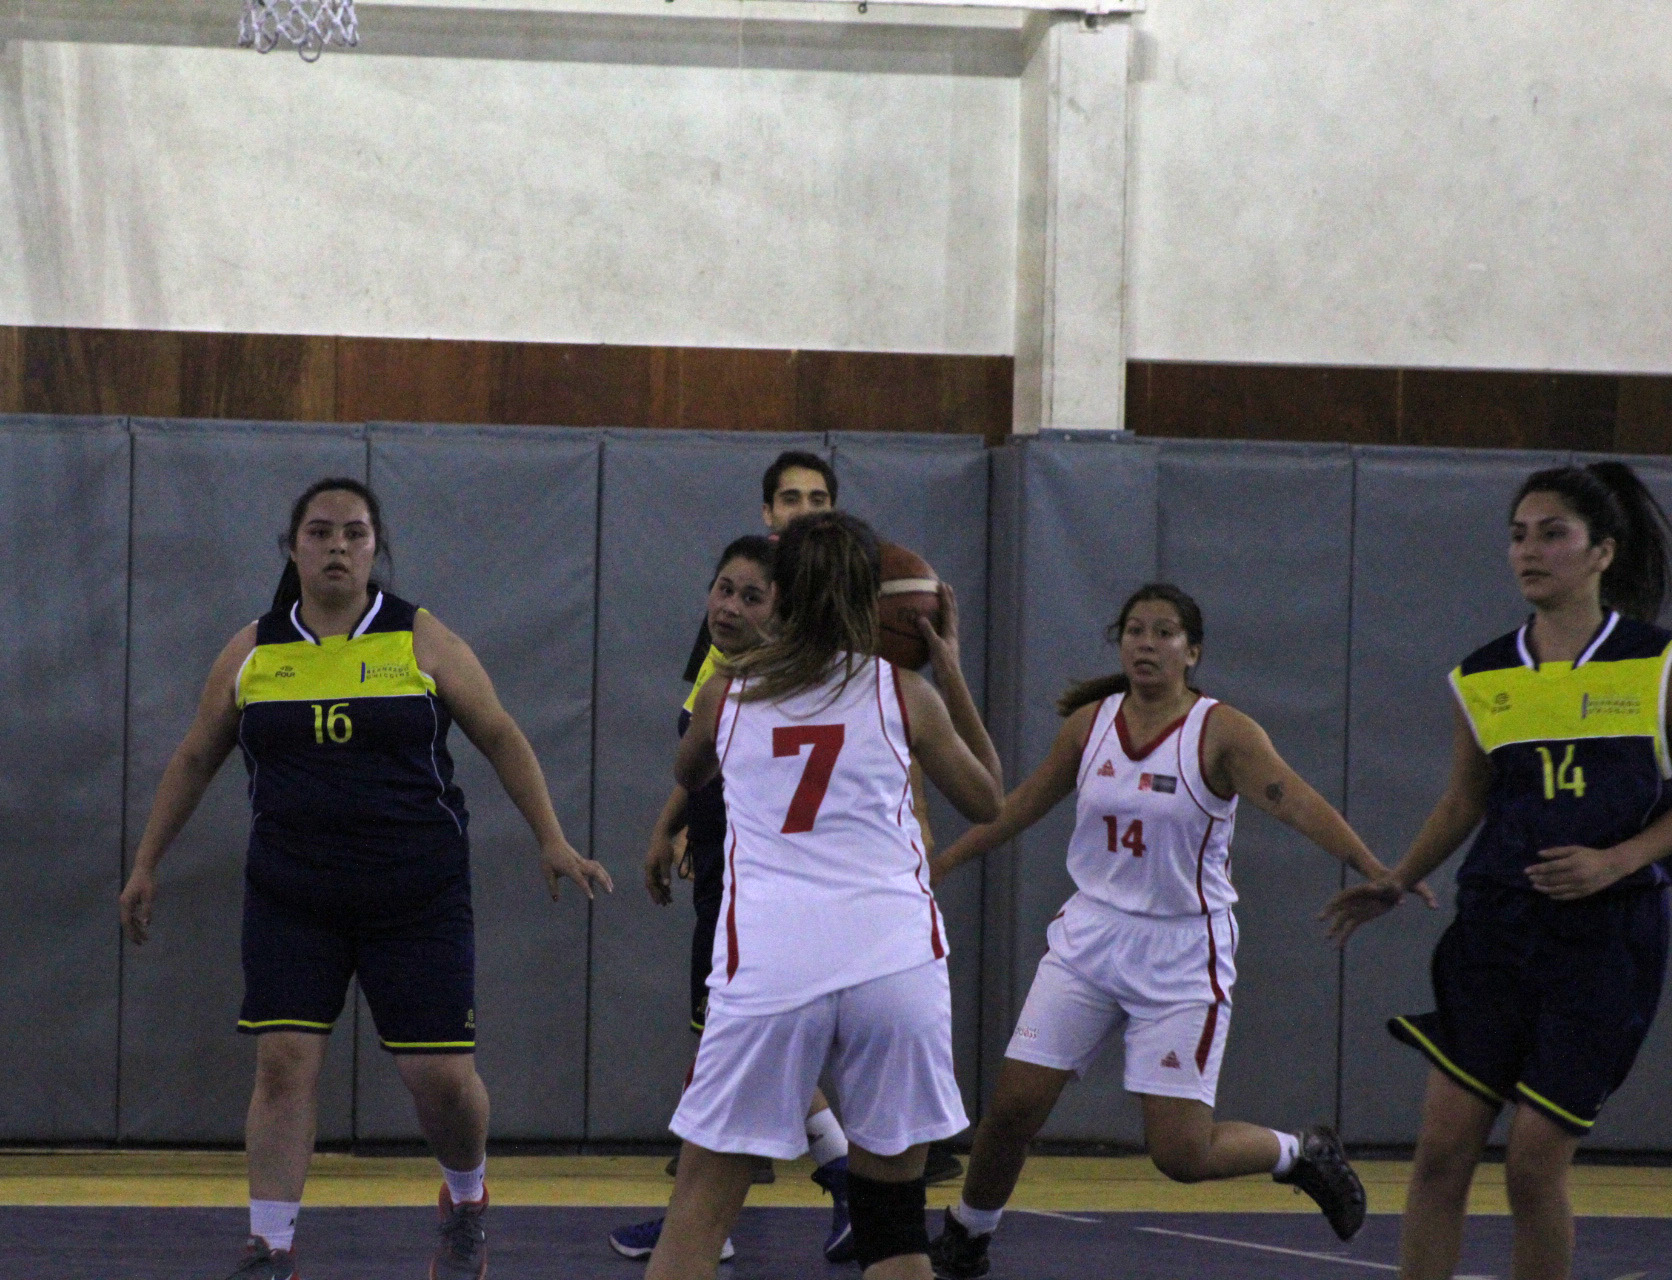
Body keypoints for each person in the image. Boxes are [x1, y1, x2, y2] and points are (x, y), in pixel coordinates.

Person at [119, 477, 612, 1280]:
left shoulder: (420, 638)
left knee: (440, 1081)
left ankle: (467, 1197)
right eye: (320, 532)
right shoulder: (253, 651)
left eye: (354, 532)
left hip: (415, 895)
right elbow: (195, 755)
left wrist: (551, 838)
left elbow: (498, 732)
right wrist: (146, 863)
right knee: (283, 1063)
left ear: (376, 546)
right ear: (293, 547)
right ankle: (270, 1247)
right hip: (292, 895)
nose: (337, 546)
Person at [926, 583, 1378, 1279]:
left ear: (1192, 651)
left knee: (1180, 1155)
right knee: (1012, 1107)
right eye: (1135, 630)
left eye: (1164, 632)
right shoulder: (1090, 725)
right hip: (1091, 937)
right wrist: (945, 861)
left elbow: (1297, 802)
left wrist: (1371, 867)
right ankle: (968, 1233)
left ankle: (1300, 1153)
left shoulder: (1222, 731)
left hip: (1181, 950)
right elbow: (1019, 806)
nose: (1146, 643)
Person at [1324, 462, 1672, 1280]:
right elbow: (1463, 800)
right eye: (1518, 535)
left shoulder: (1656, 664)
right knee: (1440, 1155)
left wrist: (1617, 860)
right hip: (1496, 931)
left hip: (1605, 943)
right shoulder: (1482, 675)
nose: (1529, 551)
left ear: (1602, 552)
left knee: (1532, 1165)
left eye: (1552, 534)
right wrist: (1397, 876)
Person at [647, 511, 1003, 1280]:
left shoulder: (725, 696)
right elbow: (989, 799)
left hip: (772, 967)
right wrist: (950, 670)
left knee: (699, 1214)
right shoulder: (905, 693)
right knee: (894, 1228)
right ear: (870, 602)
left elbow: (688, 771)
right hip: (894, 967)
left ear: (780, 596)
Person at [610, 537, 809, 1264]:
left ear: (784, 612)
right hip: (723, 869)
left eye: (751, 597)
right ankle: (843, 1179)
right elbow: (699, 758)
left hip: (763, 888)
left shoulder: (793, 683)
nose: (729, 606)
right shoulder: (720, 664)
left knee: (729, 1049)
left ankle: (699, 1225)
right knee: (731, 1044)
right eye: (723, 589)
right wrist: (671, 825)